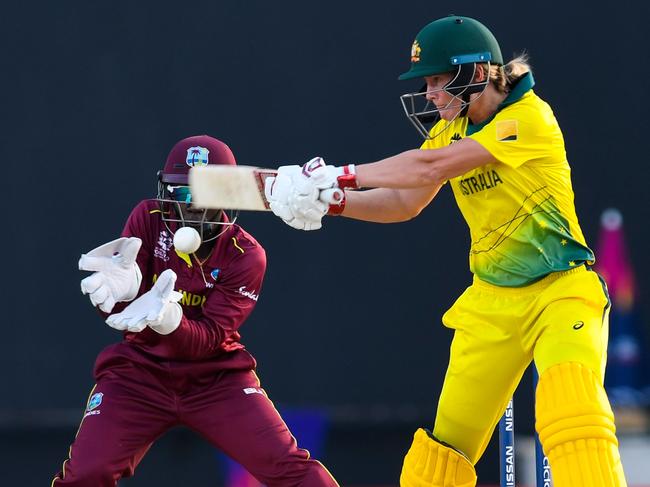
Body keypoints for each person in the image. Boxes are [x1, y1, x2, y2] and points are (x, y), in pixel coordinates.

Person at [264, 15, 627, 487]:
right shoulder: (447, 131)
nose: (431, 94)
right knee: (444, 452)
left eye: (437, 80)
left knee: (570, 406)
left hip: (561, 293)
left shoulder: (528, 118)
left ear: (476, 72)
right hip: (492, 303)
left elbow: (428, 167)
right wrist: (334, 202)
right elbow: (403, 202)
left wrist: (340, 173)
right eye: (428, 83)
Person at [52, 135, 339, 487]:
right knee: (86, 475)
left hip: (215, 378)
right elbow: (125, 316)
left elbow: (207, 340)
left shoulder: (246, 255)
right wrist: (115, 295)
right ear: (168, 191)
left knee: (293, 471)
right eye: (184, 193)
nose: (193, 207)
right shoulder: (148, 217)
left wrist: (170, 321)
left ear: (229, 195)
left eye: (208, 194)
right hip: (140, 373)